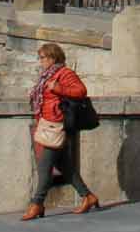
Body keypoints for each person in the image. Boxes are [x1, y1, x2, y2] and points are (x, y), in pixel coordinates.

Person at [23, 43, 99, 220]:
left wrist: (59, 89)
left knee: (45, 166)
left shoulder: (65, 73)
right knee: (65, 166)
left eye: (42, 57)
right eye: (40, 57)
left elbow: (81, 91)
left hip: (58, 125)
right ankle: (88, 196)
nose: (40, 61)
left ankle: (37, 204)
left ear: (53, 57)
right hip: (48, 124)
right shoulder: (46, 75)